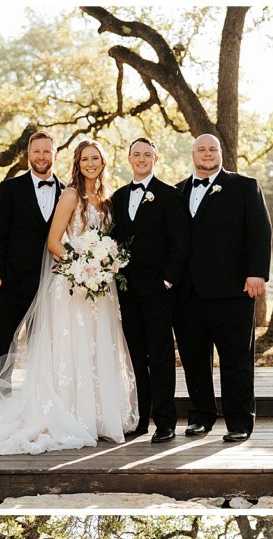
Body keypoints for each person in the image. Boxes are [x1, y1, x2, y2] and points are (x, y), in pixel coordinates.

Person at [0, 139, 138, 457]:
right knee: (12, 343)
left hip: (94, 289)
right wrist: (78, 268)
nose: (90, 163)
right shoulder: (51, 192)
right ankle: (5, 406)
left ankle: (97, 415)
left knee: (88, 348)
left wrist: (102, 266)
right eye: (84, 159)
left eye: (95, 158)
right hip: (47, 279)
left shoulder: (107, 199)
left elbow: (110, 239)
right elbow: (19, 235)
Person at [175, 133, 272, 442]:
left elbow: (260, 230)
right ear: (192, 155)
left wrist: (257, 273)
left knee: (236, 360)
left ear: (221, 153)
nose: (207, 153)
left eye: (212, 148)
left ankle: (240, 422)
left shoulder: (244, 186)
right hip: (187, 294)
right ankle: (200, 417)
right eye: (201, 149)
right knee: (194, 360)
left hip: (233, 290)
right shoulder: (176, 191)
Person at [111, 136, 190, 442]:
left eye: (147, 155)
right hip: (126, 290)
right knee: (134, 355)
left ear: (156, 160)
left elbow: (181, 243)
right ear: (129, 159)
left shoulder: (169, 195)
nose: (141, 159)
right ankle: (140, 419)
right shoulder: (117, 198)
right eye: (136, 155)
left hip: (158, 291)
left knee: (159, 356)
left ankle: (166, 422)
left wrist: (167, 280)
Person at [0, 130, 63, 364]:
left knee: (45, 344)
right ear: (28, 154)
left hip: (52, 282)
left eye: (46, 151)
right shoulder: (10, 188)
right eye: (36, 151)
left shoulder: (68, 191)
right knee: (4, 342)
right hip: (14, 279)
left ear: (55, 154)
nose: (41, 156)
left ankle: (42, 396)